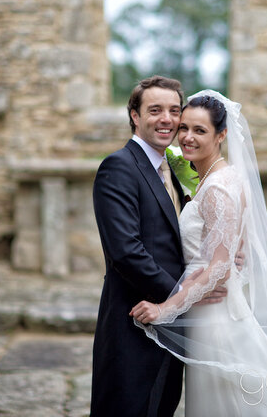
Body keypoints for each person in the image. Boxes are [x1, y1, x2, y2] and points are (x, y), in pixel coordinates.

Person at [130, 91, 267, 416]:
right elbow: (239, 252)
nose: (188, 138)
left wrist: (165, 309)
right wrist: (232, 265)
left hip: (215, 320)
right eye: (185, 128)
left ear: (222, 135)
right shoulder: (228, 176)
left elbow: (219, 265)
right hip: (222, 308)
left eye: (200, 131)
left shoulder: (219, 188)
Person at [90, 76, 228, 417]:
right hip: (134, 321)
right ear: (135, 116)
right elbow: (126, 251)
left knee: (162, 406)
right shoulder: (119, 167)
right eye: (155, 110)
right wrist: (184, 295)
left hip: (172, 324)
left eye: (173, 110)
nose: (166, 118)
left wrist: (222, 252)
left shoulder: (175, 166)